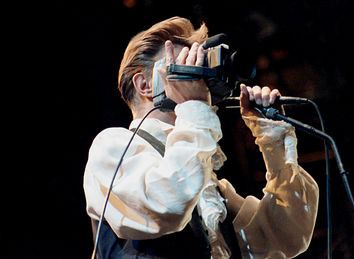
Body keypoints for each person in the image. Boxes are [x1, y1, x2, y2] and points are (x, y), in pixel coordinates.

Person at [84, 16, 319, 259]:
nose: (197, 77)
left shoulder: (210, 187)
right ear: (145, 85)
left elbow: (287, 239)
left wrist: (273, 142)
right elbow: (166, 205)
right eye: (183, 64)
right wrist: (194, 105)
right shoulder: (112, 146)